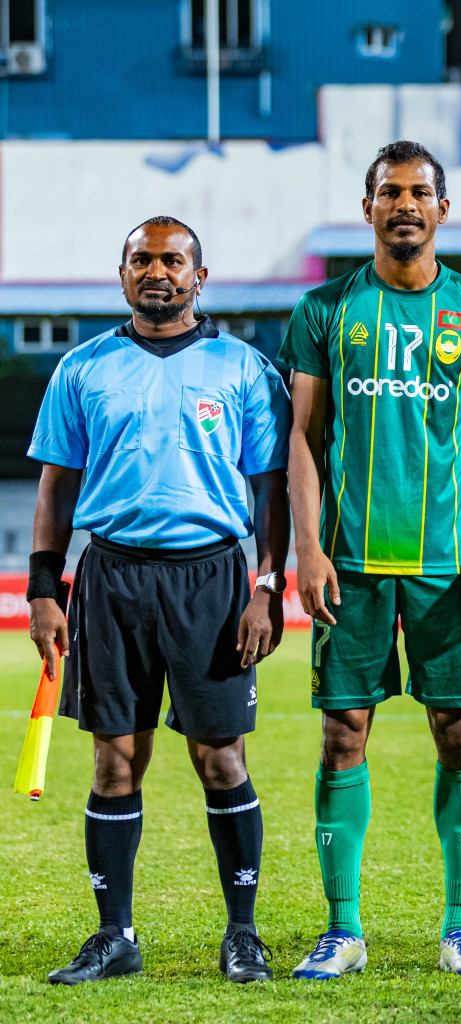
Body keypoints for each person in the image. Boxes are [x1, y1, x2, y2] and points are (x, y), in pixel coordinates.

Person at [28, 217, 290, 984]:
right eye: (141, 259)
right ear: (122, 274)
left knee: (220, 758)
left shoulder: (243, 369)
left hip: (210, 578)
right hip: (109, 579)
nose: (157, 271)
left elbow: (270, 491)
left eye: (173, 260)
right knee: (116, 761)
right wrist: (47, 587)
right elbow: (55, 486)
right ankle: (115, 937)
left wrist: (266, 586)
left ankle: (242, 933)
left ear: (199, 278)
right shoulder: (82, 368)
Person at [282, 141, 461, 979]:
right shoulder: (324, 310)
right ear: (369, 208)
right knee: (342, 735)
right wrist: (305, 550)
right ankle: (342, 929)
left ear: (443, 210)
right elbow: (303, 442)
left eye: (420, 192)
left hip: (448, 572)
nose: (405, 205)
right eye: (390, 192)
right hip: (348, 565)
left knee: (460, 736)